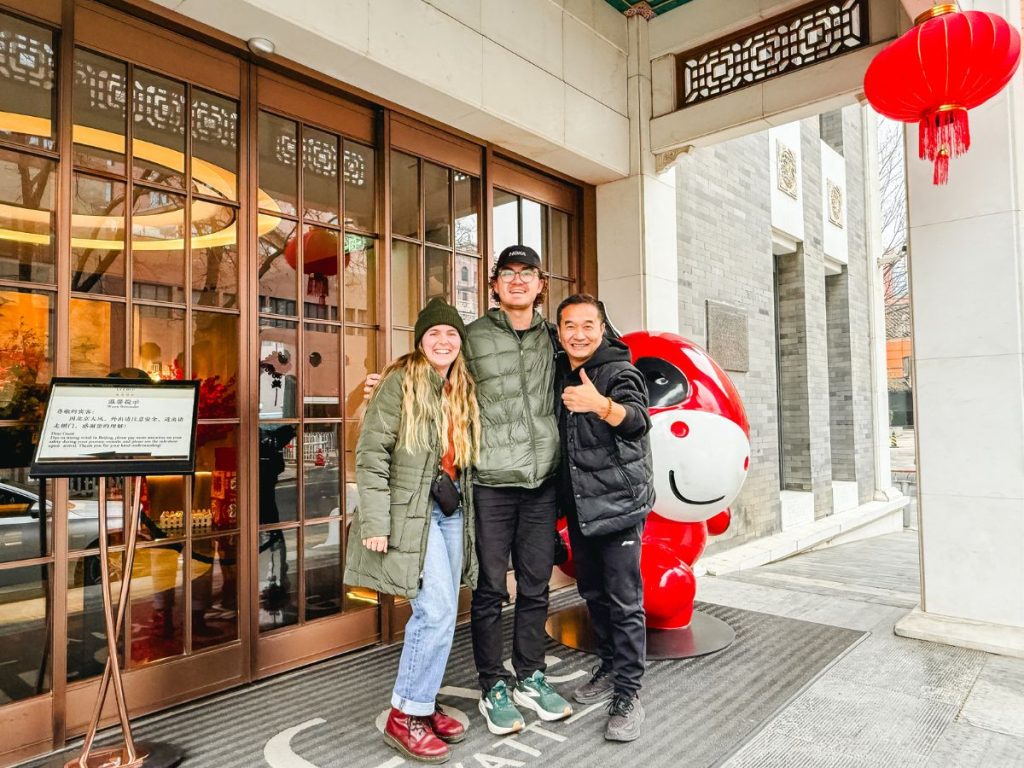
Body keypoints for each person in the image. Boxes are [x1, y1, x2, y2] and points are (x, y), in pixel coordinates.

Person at [364, 244, 572, 734]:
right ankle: (493, 683)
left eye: (528, 274)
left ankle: (531, 675)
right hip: (489, 484)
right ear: (494, 285)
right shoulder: (472, 336)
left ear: (542, 285)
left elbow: (601, 346)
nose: (518, 281)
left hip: (542, 481)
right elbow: (432, 364)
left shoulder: (555, 336)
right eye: (508, 273)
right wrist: (386, 382)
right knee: (488, 588)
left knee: (537, 587)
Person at [344, 298, 481, 763]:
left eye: (451, 334)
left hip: (449, 512)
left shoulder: (459, 387)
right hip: (409, 515)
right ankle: (405, 716)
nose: (443, 341)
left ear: (460, 343)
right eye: (433, 334)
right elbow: (371, 454)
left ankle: (422, 703)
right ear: (420, 342)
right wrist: (376, 522)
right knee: (436, 611)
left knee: (443, 611)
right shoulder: (400, 381)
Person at [555, 293, 654, 742]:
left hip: (618, 505)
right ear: (560, 332)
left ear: (601, 329)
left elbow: (637, 421)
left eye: (587, 325)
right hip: (581, 506)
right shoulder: (561, 369)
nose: (578, 334)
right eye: (569, 326)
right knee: (593, 590)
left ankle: (630, 693)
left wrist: (602, 405)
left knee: (624, 600)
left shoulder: (619, 369)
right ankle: (611, 667)